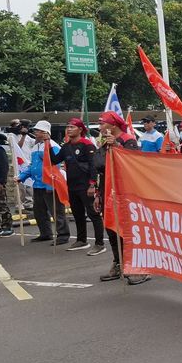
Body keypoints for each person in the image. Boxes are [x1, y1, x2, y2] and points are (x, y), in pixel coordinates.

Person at [92, 111, 148, 283]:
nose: (100, 127)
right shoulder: (103, 144)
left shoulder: (128, 140)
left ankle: (141, 268)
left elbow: (134, 163)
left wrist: (116, 145)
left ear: (113, 126)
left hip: (126, 193)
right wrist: (97, 193)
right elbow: (100, 169)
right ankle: (118, 263)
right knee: (111, 229)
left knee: (130, 231)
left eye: (102, 124)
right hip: (107, 191)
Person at [49, 118, 103, 253]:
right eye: (68, 127)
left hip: (86, 186)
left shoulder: (87, 145)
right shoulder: (66, 146)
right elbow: (55, 160)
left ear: (80, 129)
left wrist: (92, 185)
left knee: (93, 214)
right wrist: (47, 144)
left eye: (72, 127)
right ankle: (81, 240)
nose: (69, 129)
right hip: (72, 186)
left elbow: (93, 166)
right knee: (78, 214)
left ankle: (99, 243)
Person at [17, 120, 70, 245]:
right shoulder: (36, 146)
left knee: (56, 211)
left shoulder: (52, 145)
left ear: (45, 132)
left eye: (37, 131)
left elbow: (55, 166)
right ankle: (45, 233)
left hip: (50, 184)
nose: (35, 133)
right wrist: (21, 177)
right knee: (39, 211)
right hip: (38, 184)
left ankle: (63, 235)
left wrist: (50, 184)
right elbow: (32, 166)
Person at [7, 118, 35, 210]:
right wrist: (23, 136)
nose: (20, 127)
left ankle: (29, 203)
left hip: (28, 162)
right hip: (18, 163)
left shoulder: (27, 136)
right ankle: (19, 205)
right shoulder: (11, 135)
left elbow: (35, 142)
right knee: (20, 186)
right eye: (18, 125)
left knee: (29, 185)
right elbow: (17, 147)